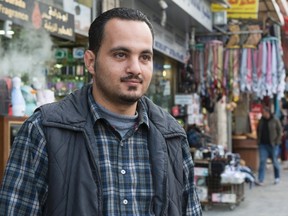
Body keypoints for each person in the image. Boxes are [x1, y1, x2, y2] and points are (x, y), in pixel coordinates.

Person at [0, 7, 202, 216]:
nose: (135, 68)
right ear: (90, 61)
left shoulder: (172, 136)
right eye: (121, 55)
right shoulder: (43, 130)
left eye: (144, 57)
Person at [257, 106, 282, 185]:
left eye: (264, 112)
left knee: (274, 161)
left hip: (273, 144)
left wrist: (277, 141)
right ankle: (261, 179)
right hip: (263, 144)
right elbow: (258, 130)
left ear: (268, 113)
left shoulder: (275, 120)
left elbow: (280, 131)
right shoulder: (261, 120)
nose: (262, 114)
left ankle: (277, 177)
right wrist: (258, 140)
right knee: (262, 161)